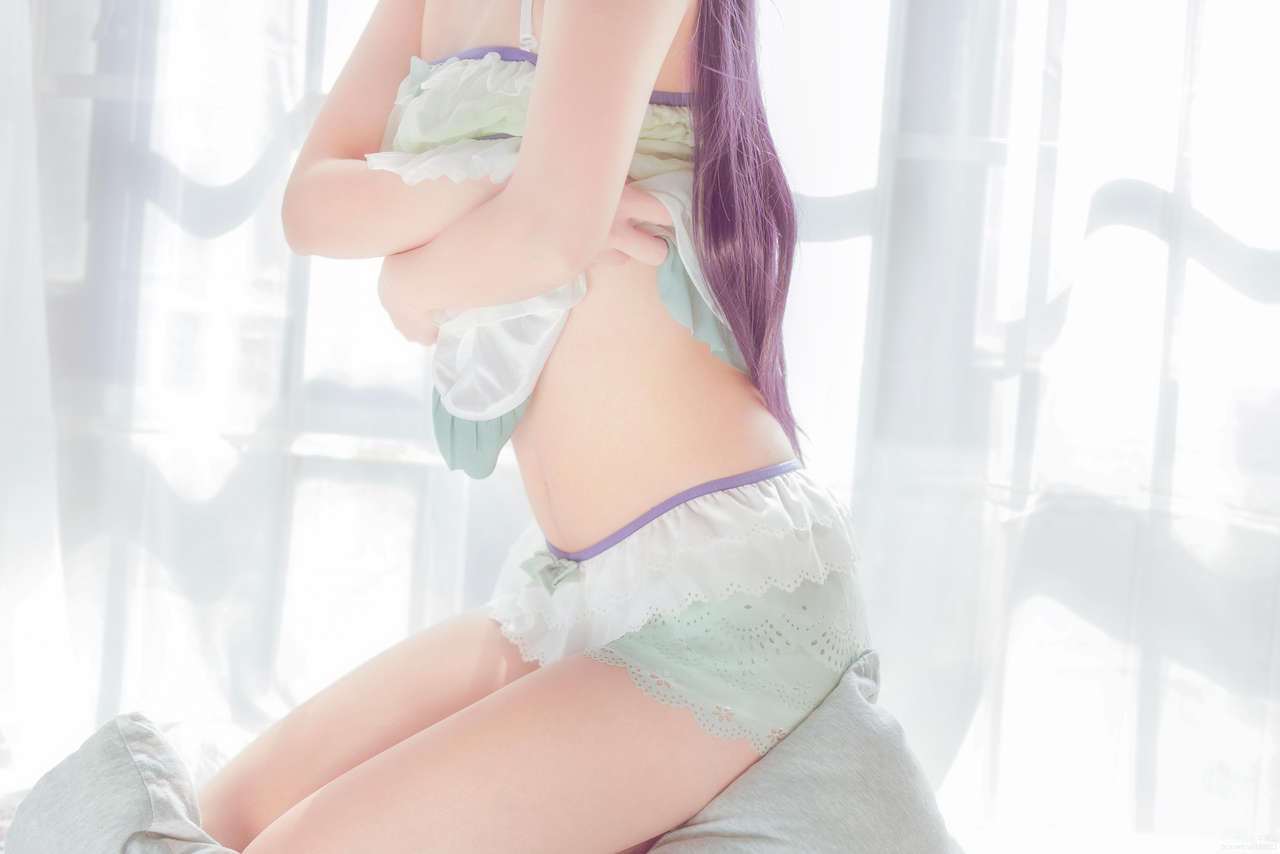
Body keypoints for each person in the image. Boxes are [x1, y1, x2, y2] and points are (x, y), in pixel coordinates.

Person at [197, 1, 876, 851]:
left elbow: (550, 237)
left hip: (722, 597)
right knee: (222, 820)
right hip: (567, 587)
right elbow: (312, 207)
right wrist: (504, 181)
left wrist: (408, 281)